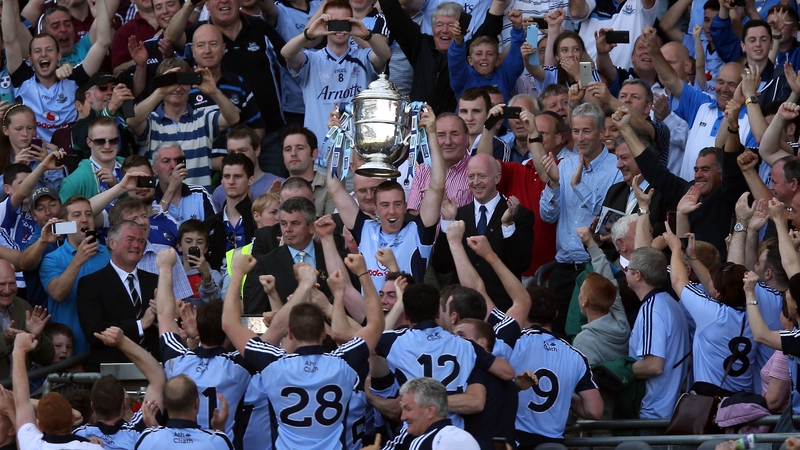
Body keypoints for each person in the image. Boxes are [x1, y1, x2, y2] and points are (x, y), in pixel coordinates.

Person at [221, 252, 384, 449]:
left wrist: (237, 273)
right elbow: (376, 324)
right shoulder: (343, 362)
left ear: (289, 333)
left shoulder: (275, 363)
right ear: (324, 333)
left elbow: (229, 324)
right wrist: (362, 273)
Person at [330, 106, 444, 291]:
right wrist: (338, 137)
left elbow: (437, 187)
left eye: (397, 204)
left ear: (406, 206)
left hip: (408, 316)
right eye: (384, 205)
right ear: (375, 208)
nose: (391, 211)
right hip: (371, 318)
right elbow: (335, 188)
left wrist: (431, 133)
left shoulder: (418, 231)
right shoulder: (365, 229)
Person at [373, 283, 516, 428]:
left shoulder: (392, 341)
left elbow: (361, 340)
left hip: (415, 429)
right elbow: (507, 372)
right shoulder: (466, 345)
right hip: (454, 431)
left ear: (405, 315)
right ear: (437, 313)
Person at [539, 102, 623, 335]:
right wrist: (554, 185)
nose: (580, 138)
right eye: (576, 131)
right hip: (564, 269)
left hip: (596, 269)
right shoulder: (564, 166)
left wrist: (578, 186)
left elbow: (609, 219)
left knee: (588, 338)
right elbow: (548, 216)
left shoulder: (616, 169)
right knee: (556, 335)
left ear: (602, 132)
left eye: (587, 131)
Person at [154, 249, 251, 437]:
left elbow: (164, 314)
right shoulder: (238, 365)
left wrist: (165, 268)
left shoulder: (178, 362)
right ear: (229, 332)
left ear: (198, 329)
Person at [436, 153, 535, 311]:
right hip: (462, 308)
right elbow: (443, 265)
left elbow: (520, 264)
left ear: (497, 178)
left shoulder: (519, 215)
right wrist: (447, 221)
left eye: (482, 176)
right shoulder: (458, 215)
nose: (476, 182)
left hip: (502, 308)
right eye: (471, 176)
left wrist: (507, 225)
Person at [280, 0, 389, 144]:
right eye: (333, 22)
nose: (339, 28)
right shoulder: (312, 59)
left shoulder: (363, 57)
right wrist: (309, 34)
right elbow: (286, 53)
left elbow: (385, 55)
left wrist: (366, 35)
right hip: (318, 153)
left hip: (356, 154)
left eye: (344, 22)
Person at [509, 284, 603, 448]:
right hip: (552, 445)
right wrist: (565, 397)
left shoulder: (511, 342)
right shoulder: (575, 356)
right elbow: (594, 410)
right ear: (556, 315)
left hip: (515, 440)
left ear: (523, 310)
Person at [126, 58, 240, 192]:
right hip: (160, 206)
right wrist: (161, 91)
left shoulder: (203, 117)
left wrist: (214, 92)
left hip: (198, 204)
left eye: (183, 81)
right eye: (171, 81)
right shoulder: (151, 120)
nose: (178, 87)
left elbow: (233, 118)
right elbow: (131, 120)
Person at [3, 0, 110, 142]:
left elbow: (103, 43)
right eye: (37, 51)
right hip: (32, 155)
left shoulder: (75, 79)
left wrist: (101, 3)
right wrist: (8, 2)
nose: (43, 55)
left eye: (49, 50)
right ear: (30, 59)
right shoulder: (22, 78)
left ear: (59, 55)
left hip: (70, 157)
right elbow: (9, 39)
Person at [666, 230, 756, 395]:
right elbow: (713, 287)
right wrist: (692, 258)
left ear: (719, 294)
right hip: (742, 402)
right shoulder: (756, 315)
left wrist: (675, 249)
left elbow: (678, 280)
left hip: (711, 403)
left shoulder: (713, 314)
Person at [77, 221, 159, 370]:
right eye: (130, 240)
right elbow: (95, 332)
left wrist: (168, 314)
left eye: (141, 241)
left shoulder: (155, 281)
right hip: (113, 372)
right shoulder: (91, 284)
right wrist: (141, 324)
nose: (136, 245)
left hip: (156, 367)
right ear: (112, 243)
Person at [626, 246, 690, 421]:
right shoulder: (670, 303)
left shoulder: (652, 310)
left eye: (628, 269)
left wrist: (619, 369)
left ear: (637, 275)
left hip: (653, 413)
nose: (626, 272)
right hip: (669, 411)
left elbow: (654, 365)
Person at [40, 196, 109, 354]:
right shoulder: (52, 259)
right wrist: (78, 259)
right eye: (77, 215)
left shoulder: (108, 254)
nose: (84, 220)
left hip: (102, 348)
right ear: (66, 224)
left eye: (89, 214)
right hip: (67, 351)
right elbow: (57, 293)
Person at [12, 333, 103, 450]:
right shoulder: (94, 448)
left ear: (40, 425)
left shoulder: (31, 444)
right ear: (73, 419)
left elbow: (22, 402)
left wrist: (19, 350)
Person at [242, 197, 330, 312]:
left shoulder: (332, 258)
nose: (287, 229)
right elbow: (256, 314)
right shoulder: (266, 264)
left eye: (295, 223)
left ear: (312, 226)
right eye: (283, 224)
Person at [134, 375, 233, 450]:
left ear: (164, 404)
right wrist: (219, 429)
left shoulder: (149, 439)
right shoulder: (217, 441)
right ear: (196, 403)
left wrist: (153, 430)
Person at [448, 9, 524, 102]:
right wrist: (458, 41)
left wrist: (517, 28)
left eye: (490, 54)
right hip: (467, 117)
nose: (484, 58)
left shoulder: (504, 77)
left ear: (498, 60)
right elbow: (456, 63)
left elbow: (515, 58)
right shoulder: (464, 78)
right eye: (479, 54)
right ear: (470, 60)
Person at [384, 377, 480, 450]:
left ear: (430, 411)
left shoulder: (424, 443)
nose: (403, 417)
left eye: (408, 409)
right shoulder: (468, 438)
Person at [0, 260, 54, 380]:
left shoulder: (23, 307)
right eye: (1, 284)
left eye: (12, 283)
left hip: (20, 391)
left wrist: (37, 337)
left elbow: (47, 358)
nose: (7, 290)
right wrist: (5, 339)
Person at [211, 125, 282, 212]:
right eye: (232, 152)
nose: (238, 156)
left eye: (243, 151)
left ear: (257, 150)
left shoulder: (279, 185)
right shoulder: (220, 192)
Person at [204, 153, 256, 271]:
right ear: (221, 180)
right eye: (227, 176)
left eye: (237, 176)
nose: (231, 181)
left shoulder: (259, 222)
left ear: (251, 180)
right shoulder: (208, 225)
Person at [570, 0, 657, 69]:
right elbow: (576, 12)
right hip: (587, 75)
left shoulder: (640, 4)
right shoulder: (593, 1)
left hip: (624, 81)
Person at [71, 73, 139, 160]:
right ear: (89, 96)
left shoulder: (124, 122)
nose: (110, 92)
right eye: (103, 87)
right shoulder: (80, 126)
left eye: (114, 88)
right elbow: (83, 141)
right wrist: (111, 109)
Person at [60, 117, 125, 203]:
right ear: (89, 143)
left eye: (113, 140)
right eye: (100, 141)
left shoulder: (131, 167)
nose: (107, 146)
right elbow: (66, 215)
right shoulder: (73, 182)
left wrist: (116, 184)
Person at [282, 125, 335, 216]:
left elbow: (332, 228)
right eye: (288, 149)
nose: (293, 154)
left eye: (300, 148)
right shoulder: (276, 190)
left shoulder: (330, 189)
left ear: (314, 154)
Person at [177, 220, 223, 304]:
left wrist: (206, 277)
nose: (194, 245)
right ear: (179, 246)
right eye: (188, 241)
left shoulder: (214, 275)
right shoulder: (171, 273)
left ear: (206, 248)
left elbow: (213, 304)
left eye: (200, 242)